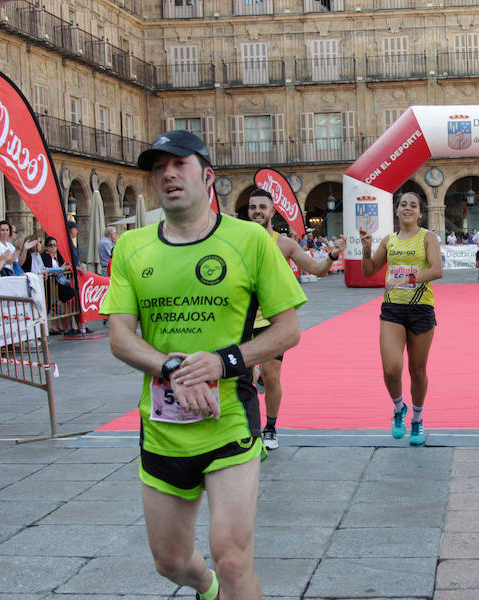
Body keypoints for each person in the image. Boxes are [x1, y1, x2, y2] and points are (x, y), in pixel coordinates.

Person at [101, 130, 306, 600]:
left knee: (233, 559)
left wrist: (222, 362)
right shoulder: (132, 249)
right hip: (163, 425)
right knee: (170, 561)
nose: (168, 174)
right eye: (158, 167)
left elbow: (287, 331)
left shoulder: (251, 241)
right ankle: (206, 589)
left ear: (208, 176)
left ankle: (226, 584)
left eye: (180, 164)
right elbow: (119, 336)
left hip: (229, 418)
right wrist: (171, 366)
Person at [239, 187, 347, 450]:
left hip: (272, 322)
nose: (257, 212)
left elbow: (316, 269)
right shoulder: (237, 243)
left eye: (262, 207)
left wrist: (332, 254)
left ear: (272, 211)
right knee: (243, 377)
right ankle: (243, 426)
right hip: (240, 321)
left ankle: (270, 428)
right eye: (253, 207)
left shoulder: (285, 244)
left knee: (271, 375)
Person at [360, 192, 442, 446]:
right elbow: (369, 271)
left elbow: (436, 270)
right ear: (396, 211)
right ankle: (399, 408)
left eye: (413, 205)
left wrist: (407, 279)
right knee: (391, 368)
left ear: (420, 213)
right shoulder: (389, 240)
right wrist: (366, 249)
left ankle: (417, 418)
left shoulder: (427, 237)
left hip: (421, 310)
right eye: (403, 204)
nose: (408, 208)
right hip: (393, 309)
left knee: (417, 371)